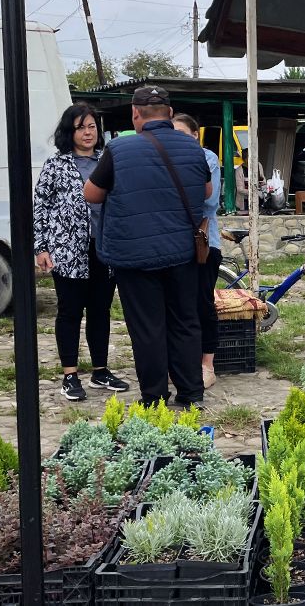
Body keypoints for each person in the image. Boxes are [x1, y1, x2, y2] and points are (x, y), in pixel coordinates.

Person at [83, 86, 212, 408]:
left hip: (135, 259)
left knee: (148, 328)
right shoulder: (193, 147)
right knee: (185, 322)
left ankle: (154, 397)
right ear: (169, 114)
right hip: (183, 253)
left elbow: (91, 194)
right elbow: (207, 192)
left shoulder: (119, 150)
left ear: (135, 114)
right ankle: (191, 393)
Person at [33, 103, 130, 402]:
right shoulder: (56, 165)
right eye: (80, 127)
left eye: (91, 127)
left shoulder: (107, 160)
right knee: (70, 312)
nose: (87, 133)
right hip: (68, 250)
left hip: (104, 248)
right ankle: (70, 374)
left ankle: (100, 370)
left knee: (100, 311)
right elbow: (41, 206)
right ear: (69, 132)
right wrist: (42, 247)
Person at [172, 113, 222, 390]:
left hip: (204, 243)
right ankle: (182, 362)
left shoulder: (207, 158)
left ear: (195, 135)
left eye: (183, 133)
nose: (177, 139)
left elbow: (209, 202)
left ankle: (207, 364)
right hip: (174, 245)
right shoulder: (165, 159)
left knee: (203, 303)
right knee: (178, 306)